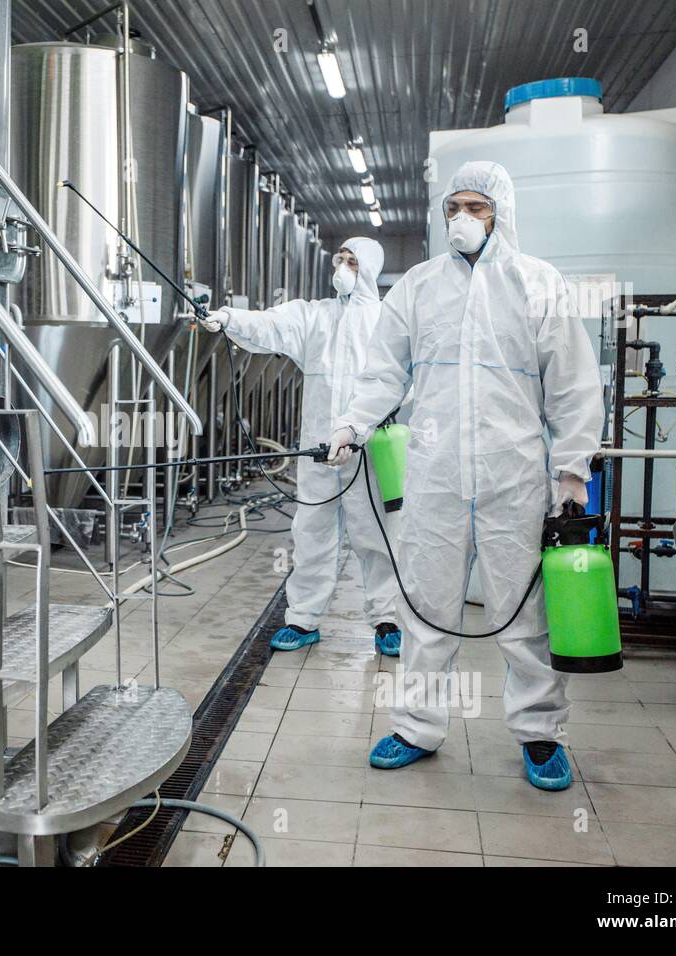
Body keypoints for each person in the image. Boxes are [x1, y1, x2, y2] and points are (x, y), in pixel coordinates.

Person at [327, 162, 603, 791]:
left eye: (475, 206)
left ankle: (539, 734)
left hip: (515, 473)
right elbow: (382, 374)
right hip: (436, 470)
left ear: (501, 210)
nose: (462, 218)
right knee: (425, 605)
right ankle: (417, 727)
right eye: (453, 206)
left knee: (524, 610)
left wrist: (572, 469)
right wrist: (353, 425)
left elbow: (572, 382)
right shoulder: (419, 286)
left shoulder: (537, 284)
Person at [203, 237, 402, 656]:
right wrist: (227, 318)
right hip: (315, 449)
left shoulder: (388, 321)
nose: (343, 268)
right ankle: (303, 619)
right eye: (340, 260)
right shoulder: (316, 315)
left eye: (353, 262)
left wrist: (359, 432)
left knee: (377, 537)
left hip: (369, 452)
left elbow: (399, 385)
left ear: (369, 270)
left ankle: (388, 620)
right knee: (312, 534)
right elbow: (271, 324)